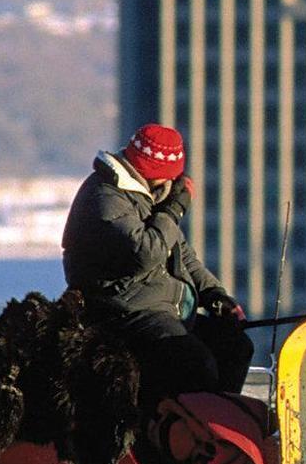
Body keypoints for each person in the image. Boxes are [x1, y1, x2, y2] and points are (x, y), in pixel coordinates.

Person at [61, 124, 251, 403]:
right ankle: (178, 433)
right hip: (122, 312)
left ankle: (216, 427)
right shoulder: (105, 198)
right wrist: (173, 210)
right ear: (157, 177)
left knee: (235, 346)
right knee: (193, 363)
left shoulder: (145, 198)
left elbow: (181, 255)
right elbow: (144, 254)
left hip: (161, 308)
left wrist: (215, 295)